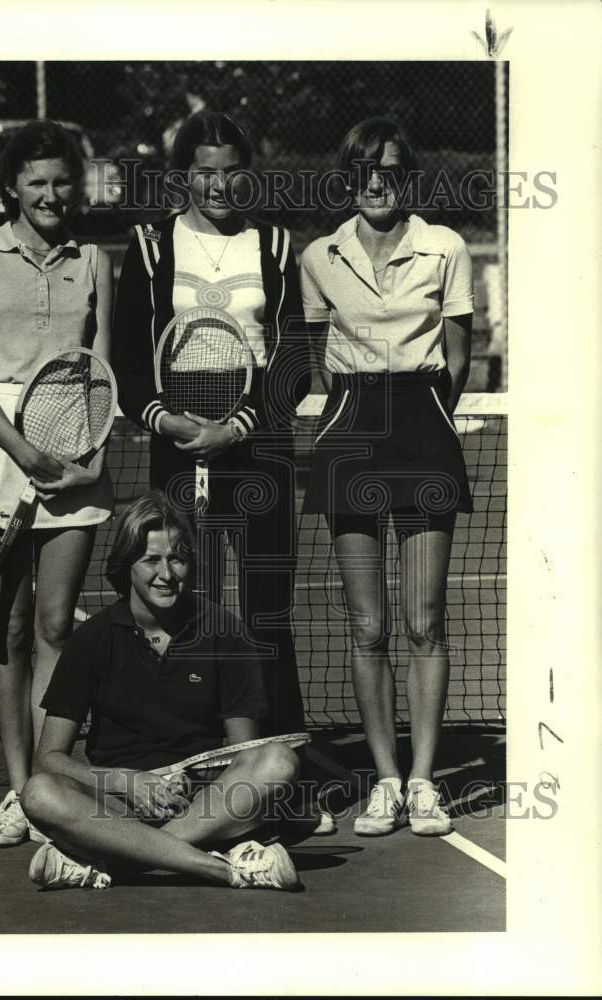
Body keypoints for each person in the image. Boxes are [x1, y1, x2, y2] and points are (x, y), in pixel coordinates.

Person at [299, 117, 475, 837]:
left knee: (423, 623)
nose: (378, 181)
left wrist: (422, 412)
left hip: (424, 427)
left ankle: (426, 784)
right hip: (349, 429)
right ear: (348, 175)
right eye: (365, 168)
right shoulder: (319, 255)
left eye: (392, 169)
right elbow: (316, 356)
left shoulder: (447, 247)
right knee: (368, 625)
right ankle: (385, 783)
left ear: (409, 179)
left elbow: (459, 357)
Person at [112, 110, 310, 737]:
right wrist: (166, 421)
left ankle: (279, 756)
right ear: (183, 177)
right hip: (178, 444)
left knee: (264, 608)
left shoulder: (275, 245)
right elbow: (129, 362)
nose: (218, 186)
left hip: (259, 446)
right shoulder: (148, 245)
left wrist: (239, 427)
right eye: (204, 173)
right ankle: (187, 751)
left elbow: (294, 361)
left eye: (230, 173)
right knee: (180, 601)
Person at [0, 119, 114, 847]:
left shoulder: (96, 260)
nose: (50, 194)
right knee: (12, 631)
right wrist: (23, 452)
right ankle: (18, 790)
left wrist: (92, 457)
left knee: (56, 627)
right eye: (35, 182)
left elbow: (101, 369)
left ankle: (51, 785)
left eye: (61, 181)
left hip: (76, 447)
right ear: (11, 185)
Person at [20, 491, 302, 891]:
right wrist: (124, 781)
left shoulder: (225, 632)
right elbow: (47, 760)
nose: (166, 574)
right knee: (40, 793)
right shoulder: (92, 639)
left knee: (277, 762)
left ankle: (116, 860)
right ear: (127, 566)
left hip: (201, 804)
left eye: (177, 559)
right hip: (116, 804)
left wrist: (193, 784)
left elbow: (244, 753)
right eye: (151, 560)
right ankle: (219, 868)